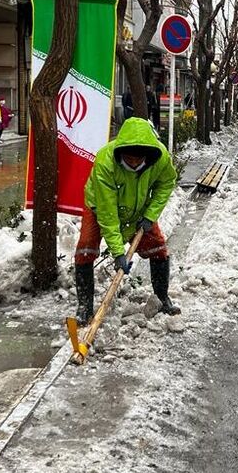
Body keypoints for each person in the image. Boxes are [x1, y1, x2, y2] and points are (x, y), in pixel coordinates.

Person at [74, 117, 180, 325]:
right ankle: (84, 306)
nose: (132, 163)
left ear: (147, 155)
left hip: (139, 210)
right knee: (86, 247)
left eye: (137, 160)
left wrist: (150, 215)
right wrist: (118, 252)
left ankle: (162, 297)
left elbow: (166, 183)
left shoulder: (160, 158)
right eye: (128, 158)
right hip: (99, 206)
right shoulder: (106, 161)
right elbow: (107, 211)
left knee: (158, 248)